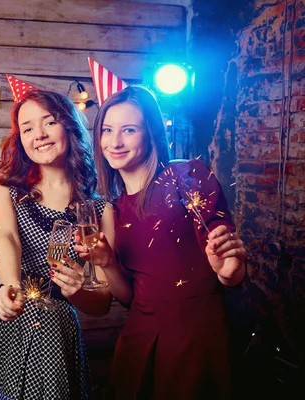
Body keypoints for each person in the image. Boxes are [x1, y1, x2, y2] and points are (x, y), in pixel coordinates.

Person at [76, 85, 247, 399]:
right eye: (107, 130)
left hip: (196, 333)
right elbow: (128, 297)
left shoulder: (187, 174)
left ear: (151, 133)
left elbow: (229, 264)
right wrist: (107, 264)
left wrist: (228, 270)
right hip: (139, 338)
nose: (115, 142)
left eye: (129, 130)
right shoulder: (112, 211)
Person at [0, 88, 112, 400]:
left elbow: (103, 302)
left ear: (69, 125)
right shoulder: (6, 189)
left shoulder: (100, 207)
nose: (39, 134)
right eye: (27, 128)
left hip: (51, 330)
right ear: (20, 139)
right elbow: (7, 238)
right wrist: (10, 286)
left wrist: (77, 290)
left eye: (49, 122)